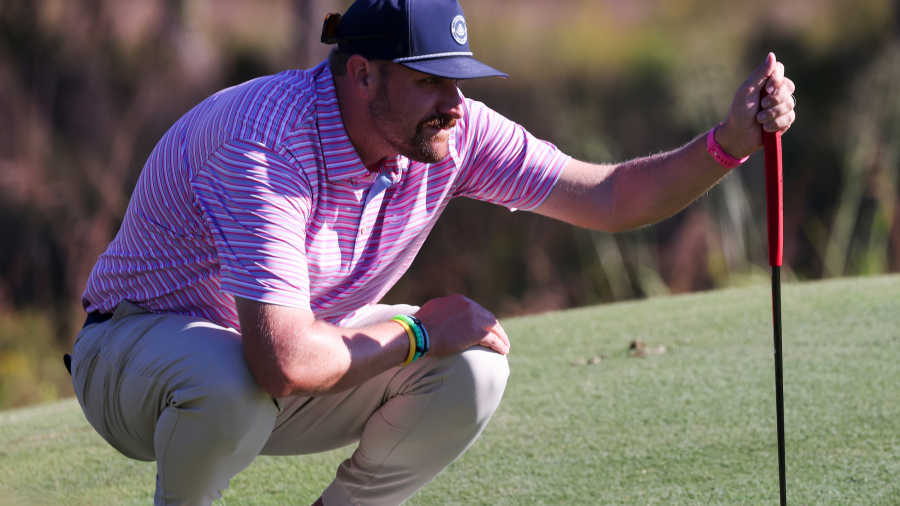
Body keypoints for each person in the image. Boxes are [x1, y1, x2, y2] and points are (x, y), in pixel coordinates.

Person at [68, 0, 797, 505]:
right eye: (428, 79)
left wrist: (728, 141)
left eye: (457, 77)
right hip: (134, 361)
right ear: (362, 73)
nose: (452, 100)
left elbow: (607, 197)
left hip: (277, 369)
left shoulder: (451, 133)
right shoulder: (262, 140)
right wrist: (417, 331)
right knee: (234, 379)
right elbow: (280, 362)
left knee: (471, 366)